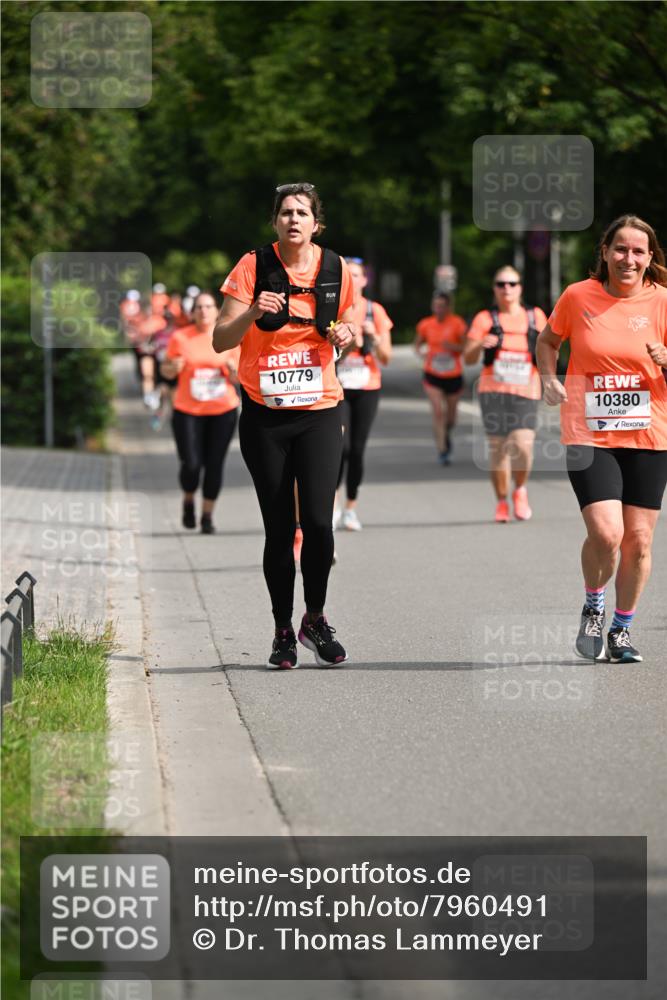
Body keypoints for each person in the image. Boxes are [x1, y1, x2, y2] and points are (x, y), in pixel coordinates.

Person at [212, 182, 356, 669]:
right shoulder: (252, 266)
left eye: (302, 213)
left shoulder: (336, 268)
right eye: (286, 213)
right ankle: (282, 631)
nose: (294, 219)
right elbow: (220, 339)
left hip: (320, 410)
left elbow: (349, 328)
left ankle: (314, 619)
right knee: (279, 528)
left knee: (317, 523)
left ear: (316, 223)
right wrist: (254, 311)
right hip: (265, 415)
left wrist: (348, 334)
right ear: (275, 221)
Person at [536, 214, 667, 663]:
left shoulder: (662, 301)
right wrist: (548, 378)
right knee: (607, 533)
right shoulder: (578, 296)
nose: (628, 258)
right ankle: (594, 605)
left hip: (650, 434)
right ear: (605, 252)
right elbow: (548, 341)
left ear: (649, 258)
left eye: (638, 251)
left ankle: (622, 629)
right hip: (589, 432)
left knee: (639, 541)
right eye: (620, 249)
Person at [463, 266, 547, 521]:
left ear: (520, 288)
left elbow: (548, 350)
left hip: (526, 390)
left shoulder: (535, 316)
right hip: (493, 391)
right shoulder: (484, 318)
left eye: (512, 284)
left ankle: (519, 489)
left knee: (522, 445)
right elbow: (468, 358)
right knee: (498, 449)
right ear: (494, 288)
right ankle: (501, 501)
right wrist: (480, 344)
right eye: (501, 284)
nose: (506, 288)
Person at [161, 292, 240, 534]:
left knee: (214, 464)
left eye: (208, 306)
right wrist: (172, 368)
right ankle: (188, 500)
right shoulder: (180, 337)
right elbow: (165, 371)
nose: (203, 311)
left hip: (223, 410)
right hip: (188, 410)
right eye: (199, 307)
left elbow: (240, 378)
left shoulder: (229, 337)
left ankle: (207, 515)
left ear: (217, 311)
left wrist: (233, 372)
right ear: (192, 312)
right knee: (192, 464)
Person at [334, 257, 392, 531]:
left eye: (356, 275)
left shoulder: (374, 311)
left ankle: (350, 508)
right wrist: (348, 345)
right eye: (348, 274)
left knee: (357, 450)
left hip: (367, 387)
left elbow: (387, 357)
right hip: (338, 387)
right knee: (340, 448)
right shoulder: (333, 307)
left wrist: (375, 338)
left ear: (365, 280)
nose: (352, 279)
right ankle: (332, 506)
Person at [414, 292, 467, 465]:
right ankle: (442, 450)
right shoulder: (426, 324)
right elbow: (417, 344)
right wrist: (421, 353)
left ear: (448, 307)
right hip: (432, 374)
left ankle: (445, 433)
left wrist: (453, 347)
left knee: (451, 418)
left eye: (442, 306)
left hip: (453, 375)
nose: (438, 309)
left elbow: (466, 347)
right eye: (436, 305)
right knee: (438, 412)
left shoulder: (457, 323)